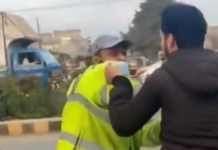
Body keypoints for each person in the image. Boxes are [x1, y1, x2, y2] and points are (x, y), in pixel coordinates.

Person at [105, 3, 218, 150]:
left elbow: (124, 124)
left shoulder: (163, 78)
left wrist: (120, 83)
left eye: (161, 38)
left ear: (171, 40)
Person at [56, 33, 161, 150]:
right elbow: (136, 95)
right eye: (114, 53)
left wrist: (166, 128)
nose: (121, 58)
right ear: (97, 60)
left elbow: (140, 133)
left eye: (123, 53)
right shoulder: (91, 77)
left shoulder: (123, 84)